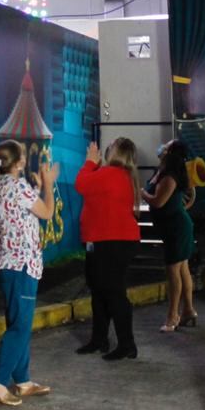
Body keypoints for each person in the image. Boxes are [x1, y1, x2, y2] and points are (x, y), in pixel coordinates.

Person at [0, 139, 58, 406]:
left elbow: (19, 212)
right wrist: (48, 184)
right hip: (23, 264)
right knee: (21, 325)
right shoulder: (18, 187)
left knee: (18, 321)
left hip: (6, 263)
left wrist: (35, 187)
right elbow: (46, 212)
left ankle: (22, 380)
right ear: (18, 163)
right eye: (23, 156)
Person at [75, 138, 142, 360]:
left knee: (112, 293)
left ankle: (126, 344)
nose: (107, 149)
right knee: (101, 291)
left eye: (111, 147)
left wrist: (89, 162)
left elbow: (81, 184)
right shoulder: (122, 175)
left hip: (110, 242)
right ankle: (100, 339)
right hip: (109, 241)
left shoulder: (110, 173)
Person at [141, 139, 197, 332]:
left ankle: (173, 316)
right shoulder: (163, 172)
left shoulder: (170, 177)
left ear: (171, 154)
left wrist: (142, 193)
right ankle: (188, 310)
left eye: (166, 147)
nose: (162, 149)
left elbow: (158, 202)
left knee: (174, 272)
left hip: (176, 228)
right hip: (172, 227)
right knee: (182, 269)